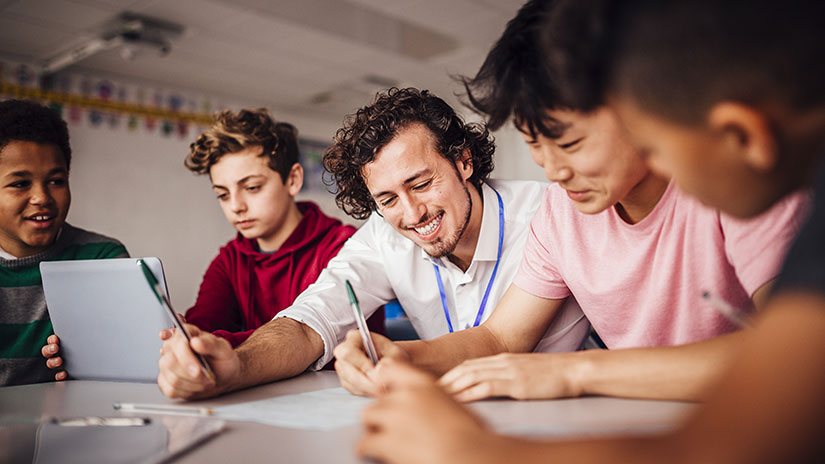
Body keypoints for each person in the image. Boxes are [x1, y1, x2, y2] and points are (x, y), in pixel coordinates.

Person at [356, 1, 825, 463]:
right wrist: (404, 357)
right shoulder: (562, 211)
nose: (553, 171)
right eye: (535, 146)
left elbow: (779, 373)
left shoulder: (733, 179)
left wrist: (574, 372)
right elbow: (500, 337)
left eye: (570, 142)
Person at [156, 87, 589, 400]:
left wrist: (401, 356)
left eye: (421, 184)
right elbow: (310, 322)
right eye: (387, 199)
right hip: (449, 420)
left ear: (463, 160)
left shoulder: (546, 214)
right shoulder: (385, 234)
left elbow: (499, 340)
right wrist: (239, 365)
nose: (413, 213)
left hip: (561, 418)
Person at [179, 108, 382, 349]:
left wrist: (224, 347)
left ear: (293, 179)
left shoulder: (343, 247)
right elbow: (204, 328)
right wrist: (188, 340)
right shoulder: (229, 261)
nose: (236, 206)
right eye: (222, 195)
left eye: (252, 187)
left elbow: (348, 346)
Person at [0, 99, 128, 386]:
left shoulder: (103, 259)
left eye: (56, 181)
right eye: (21, 183)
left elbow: (127, 358)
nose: (42, 197)